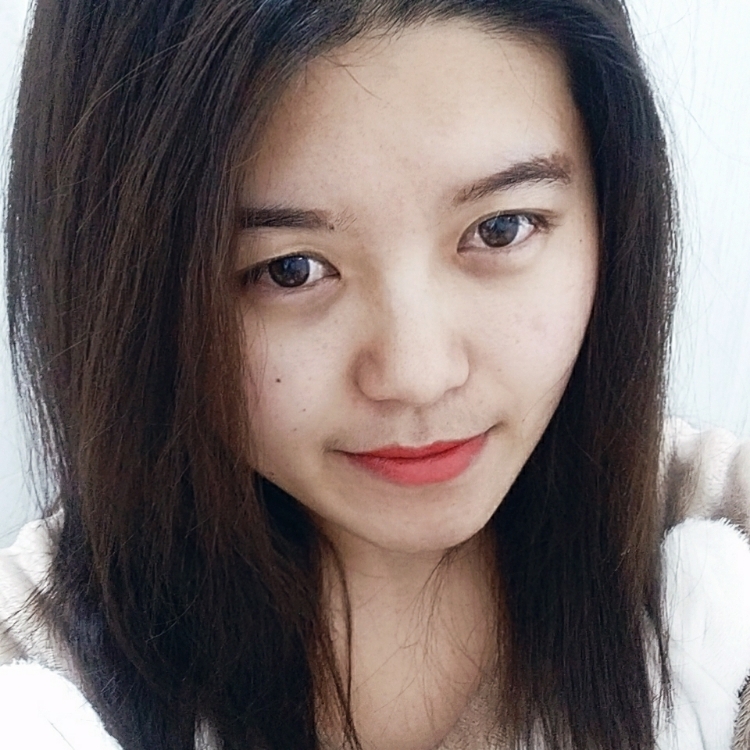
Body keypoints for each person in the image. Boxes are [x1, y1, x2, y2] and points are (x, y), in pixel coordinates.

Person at [1, 0, 749, 748]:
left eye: (500, 229)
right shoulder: (36, 682)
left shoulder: (723, 546)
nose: (419, 376)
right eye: (290, 270)